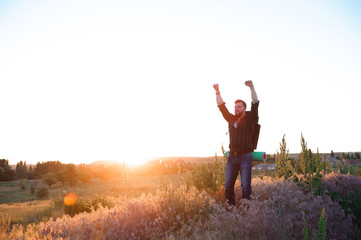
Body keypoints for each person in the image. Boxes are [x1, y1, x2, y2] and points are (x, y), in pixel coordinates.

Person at [213, 80, 259, 205]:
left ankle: (246, 212)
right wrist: (217, 91)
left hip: (245, 157)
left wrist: (251, 87)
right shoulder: (231, 119)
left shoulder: (251, 119)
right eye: (235, 107)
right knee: (228, 186)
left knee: (246, 187)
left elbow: (255, 103)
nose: (236, 109)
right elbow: (221, 106)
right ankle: (230, 211)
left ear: (244, 109)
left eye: (239, 107)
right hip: (232, 157)